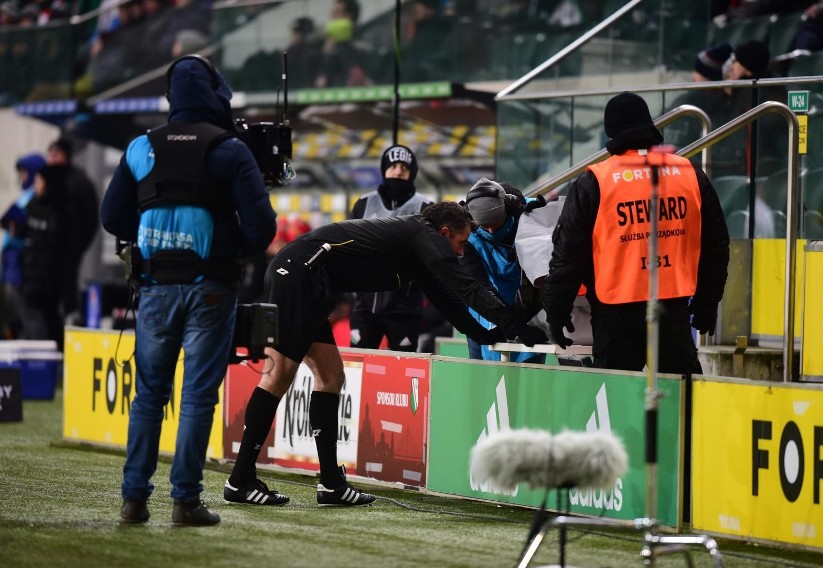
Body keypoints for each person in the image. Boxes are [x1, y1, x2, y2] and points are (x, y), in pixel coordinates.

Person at [225, 201, 548, 507]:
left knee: (331, 376)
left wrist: (490, 334)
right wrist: (515, 325)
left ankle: (331, 484)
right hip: (298, 275)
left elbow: (448, 300)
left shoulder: (419, 248)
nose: (462, 251)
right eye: (461, 242)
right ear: (445, 232)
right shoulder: (424, 236)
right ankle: (240, 480)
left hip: (306, 277)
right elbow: (467, 287)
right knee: (279, 374)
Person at [100, 54, 277, 526]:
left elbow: (112, 218)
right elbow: (261, 229)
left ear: (170, 96)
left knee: (149, 396)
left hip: (155, 288)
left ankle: (134, 499)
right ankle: (185, 501)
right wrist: (226, 240)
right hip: (211, 288)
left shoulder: (140, 147)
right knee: (198, 397)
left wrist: (155, 225)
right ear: (217, 92)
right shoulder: (230, 148)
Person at [544, 92, 730, 375]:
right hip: (672, 307)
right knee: (680, 406)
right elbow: (715, 245)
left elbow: (568, 255)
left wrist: (556, 312)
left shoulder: (595, 181)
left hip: (615, 313)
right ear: (649, 124)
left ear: (610, 132)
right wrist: (707, 301)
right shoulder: (689, 173)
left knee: (617, 407)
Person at [349, 145, 432, 352]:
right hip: (365, 306)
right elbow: (350, 248)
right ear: (384, 169)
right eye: (393, 165)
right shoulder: (363, 203)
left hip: (405, 308)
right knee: (357, 365)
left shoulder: (425, 207)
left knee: (403, 370)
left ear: (411, 172)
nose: (398, 171)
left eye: (404, 167)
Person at [461, 178, 547, 363]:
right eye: (485, 226)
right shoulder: (465, 234)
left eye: (496, 224)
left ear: (508, 209)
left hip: (530, 307)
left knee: (532, 378)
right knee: (484, 378)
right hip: (485, 307)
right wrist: (513, 325)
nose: (491, 231)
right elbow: (480, 288)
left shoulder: (532, 215)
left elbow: (542, 274)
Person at [19, 165, 74, 347]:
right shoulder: (32, 204)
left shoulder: (59, 210)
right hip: (30, 276)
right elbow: (22, 230)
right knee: (33, 320)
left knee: (46, 320)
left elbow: (58, 244)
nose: (36, 184)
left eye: (39, 180)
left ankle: (51, 359)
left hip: (48, 279)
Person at [45, 136, 99, 317]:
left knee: (67, 297)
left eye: (56, 154)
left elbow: (90, 219)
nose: (51, 159)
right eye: (49, 154)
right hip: (45, 257)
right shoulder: (44, 181)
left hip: (68, 252)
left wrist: (76, 247)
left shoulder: (78, 182)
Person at [0, 153, 46, 338]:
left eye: (25, 173)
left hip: (24, 268)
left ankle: (35, 363)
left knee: (29, 316)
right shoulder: (26, 197)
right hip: (13, 268)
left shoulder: (35, 199)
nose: (22, 178)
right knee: (17, 316)